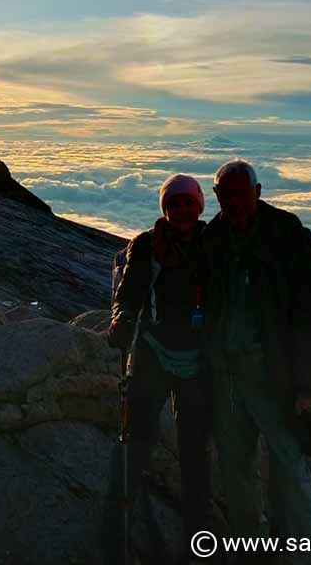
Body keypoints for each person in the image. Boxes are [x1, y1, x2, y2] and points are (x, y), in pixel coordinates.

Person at [202, 159, 311, 565]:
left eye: (241, 193)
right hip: (227, 376)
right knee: (235, 468)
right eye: (225, 195)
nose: (234, 202)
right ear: (217, 196)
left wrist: (310, 388)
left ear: (258, 193)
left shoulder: (288, 236)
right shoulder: (214, 237)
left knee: (289, 467)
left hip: (273, 376)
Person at [108, 173, 215, 562]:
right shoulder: (147, 245)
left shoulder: (213, 243)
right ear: (165, 209)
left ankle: (197, 530)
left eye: (188, 203)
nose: (181, 210)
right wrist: (120, 319)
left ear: (200, 206)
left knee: (194, 447)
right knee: (139, 433)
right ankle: (122, 503)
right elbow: (130, 292)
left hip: (199, 359)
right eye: (173, 204)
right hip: (154, 351)